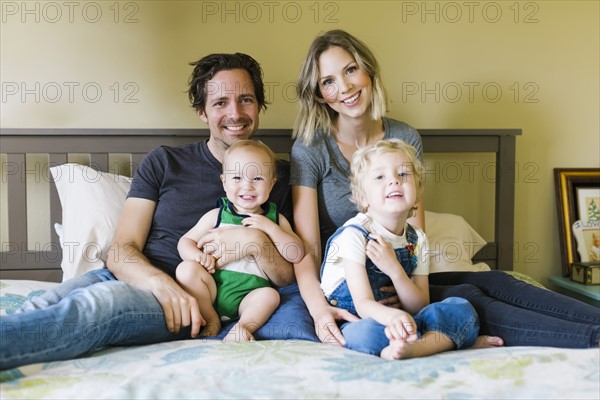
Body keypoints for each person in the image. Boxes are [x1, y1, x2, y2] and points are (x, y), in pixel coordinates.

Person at [0, 53, 318, 371]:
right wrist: (158, 283)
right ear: (201, 111)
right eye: (220, 102)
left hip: (186, 300)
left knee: (100, 305)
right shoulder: (164, 162)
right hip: (137, 278)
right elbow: (121, 250)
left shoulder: (277, 176)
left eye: (245, 99)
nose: (235, 113)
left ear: (259, 105)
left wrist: (256, 243)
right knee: (42, 303)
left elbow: (289, 275)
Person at [290, 29, 600, 349]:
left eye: (350, 69)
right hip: (355, 286)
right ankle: (592, 338)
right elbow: (306, 251)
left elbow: (414, 232)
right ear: (318, 94)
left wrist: (402, 278)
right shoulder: (311, 148)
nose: (345, 87)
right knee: (470, 300)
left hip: (404, 275)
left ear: (368, 70)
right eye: (328, 81)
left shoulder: (404, 138)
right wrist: (319, 312)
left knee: (497, 279)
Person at [321, 139, 479, 359]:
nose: (394, 181)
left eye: (403, 174)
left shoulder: (417, 239)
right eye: (379, 177)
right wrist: (392, 318)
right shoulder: (355, 234)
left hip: (403, 318)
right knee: (365, 334)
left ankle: (415, 348)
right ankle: (442, 340)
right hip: (361, 317)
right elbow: (363, 303)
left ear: (417, 189)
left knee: (460, 307)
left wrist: (394, 270)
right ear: (363, 198)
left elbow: (419, 305)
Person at [176, 140, 304, 341]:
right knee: (185, 269)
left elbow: (296, 253)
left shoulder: (275, 219)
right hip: (212, 289)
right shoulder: (216, 215)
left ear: (271, 184)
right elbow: (185, 241)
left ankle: (243, 327)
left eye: (258, 178)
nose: (247, 186)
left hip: (250, 295)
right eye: (237, 177)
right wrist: (197, 256)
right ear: (224, 182)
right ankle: (210, 317)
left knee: (271, 297)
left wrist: (270, 228)